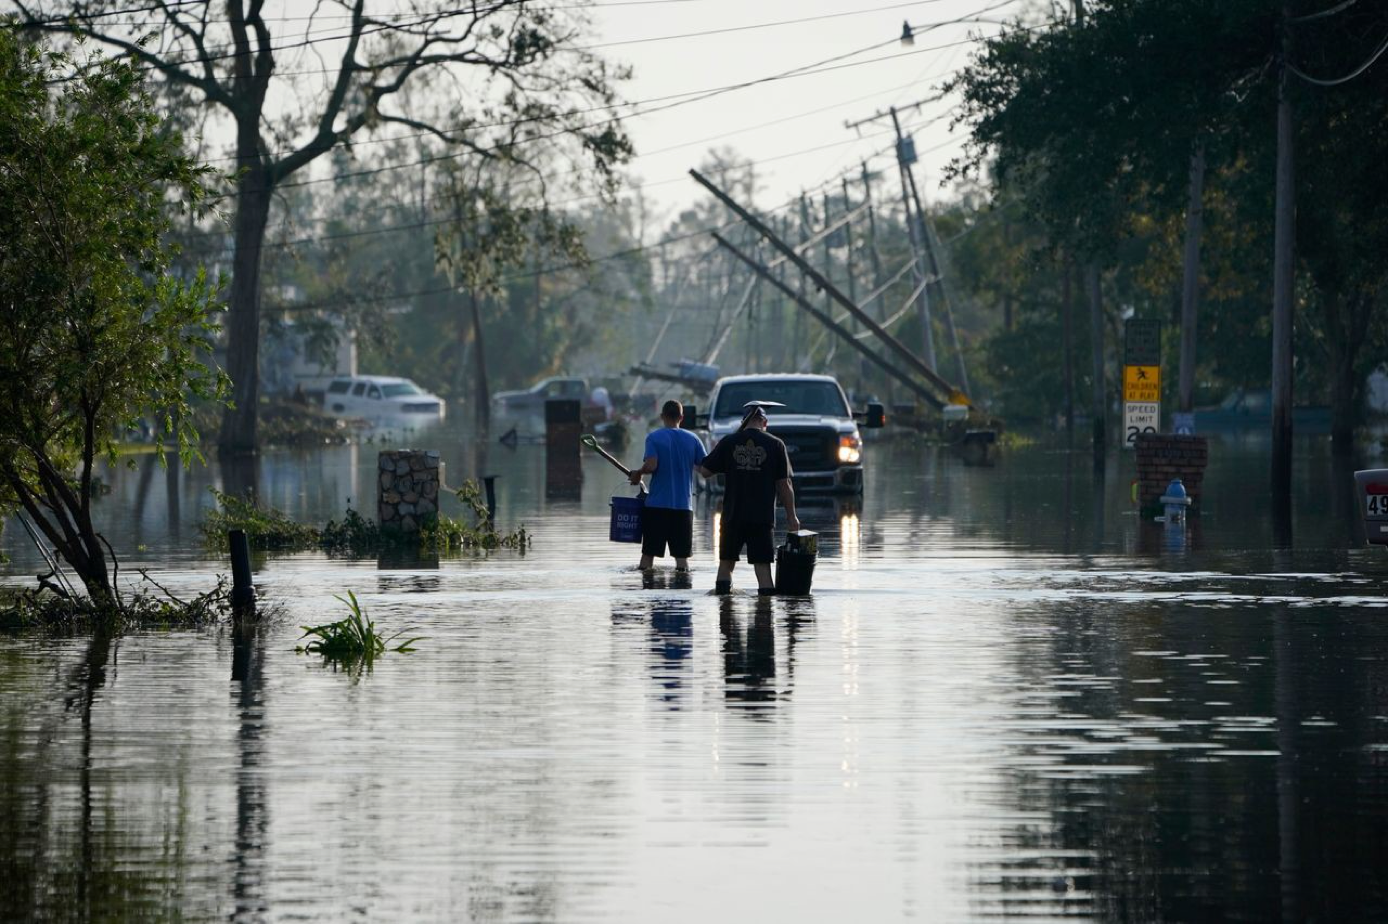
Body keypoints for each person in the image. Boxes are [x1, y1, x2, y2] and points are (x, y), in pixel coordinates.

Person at [697, 401, 800, 595]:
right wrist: (791, 517)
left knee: (726, 565)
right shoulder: (776, 444)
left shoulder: (729, 441)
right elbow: (784, 484)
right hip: (761, 518)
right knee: (763, 568)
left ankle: (724, 613)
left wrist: (727, 449)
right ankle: (765, 616)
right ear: (764, 422)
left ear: (743, 421)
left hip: (732, 516)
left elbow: (705, 471)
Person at [629, 399, 706, 571]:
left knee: (648, 558)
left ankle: (647, 588)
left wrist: (639, 473)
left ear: (662, 416)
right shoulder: (694, 439)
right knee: (682, 561)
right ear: (681, 417)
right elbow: (705, 469)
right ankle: (682, 591)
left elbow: (652, 465)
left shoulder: (654, 438)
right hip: (683, 507)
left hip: (657, 507)